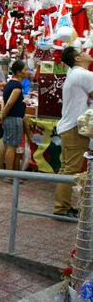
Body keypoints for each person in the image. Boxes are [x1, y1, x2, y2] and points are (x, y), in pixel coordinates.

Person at [53, 47, 93, 218]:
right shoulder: (83, 75)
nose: (87, 52)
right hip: (75, 129)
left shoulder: (74, 74)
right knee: (70, 170)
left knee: (66, 169)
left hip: (68, 127)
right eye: (83, 51)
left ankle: (62, 206)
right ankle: (61, 209)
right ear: (77, 58)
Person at [0, 60, 30, 180]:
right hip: (14, 118)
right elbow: (10, 102)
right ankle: (9, 174)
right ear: (18, 72)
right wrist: (2, 115)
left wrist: (3, 115)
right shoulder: (17, 86)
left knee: (5, 144)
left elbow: (3, 100)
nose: (27, 72)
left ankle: (0, 170)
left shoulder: (10, 84)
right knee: (12, 147)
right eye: (25, 69)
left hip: (8, 118)